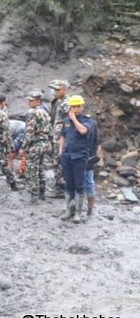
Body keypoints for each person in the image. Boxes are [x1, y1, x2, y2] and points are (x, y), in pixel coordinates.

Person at [59, 95, 99, 223]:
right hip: (67, 156)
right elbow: (62, 136)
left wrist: (74, 119)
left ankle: (78, 212)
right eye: (73, 106)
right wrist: (60, 152)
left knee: (80, 185)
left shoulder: (87, 121)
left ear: (82, 107)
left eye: (78, 106)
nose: (75, 108)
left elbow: (83, 131)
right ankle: (68, 210)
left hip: (80, 156)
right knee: (68, 184)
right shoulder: (65, 121)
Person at [23, 90, 53, 203]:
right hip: (45, 144)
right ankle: (42, 193)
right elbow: (50, 130)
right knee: (41, 168)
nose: (29, 102)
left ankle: (34, 195)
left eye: (31, 100)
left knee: (32, 170)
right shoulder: (45, 112)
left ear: (38, 101)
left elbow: (29, 132)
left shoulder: (32, 113)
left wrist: (23, 147)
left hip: (35, 145)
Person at [48, 79, 71, 198]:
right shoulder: (59, 101)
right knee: (56, 161)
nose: (55, 92)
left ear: (64, 90)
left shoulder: (66, 103)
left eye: (57, 89)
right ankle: (60, 186)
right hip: (57, 135)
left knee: (59, 161)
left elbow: (69, 121)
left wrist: (63, 136)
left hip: (62, 137)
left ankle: (61, 188)